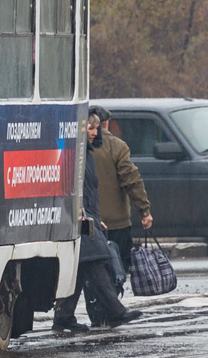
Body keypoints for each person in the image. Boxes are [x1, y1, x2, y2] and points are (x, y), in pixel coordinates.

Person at [53, 125, 142, 333]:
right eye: (90, 128)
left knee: (81, 266)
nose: (95, 132)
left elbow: (89, 192)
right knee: (95, 259)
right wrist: (85, 214)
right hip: (78, 218)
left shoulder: (86, 152)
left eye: (95, 128)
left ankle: (63, 317)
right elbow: (74, 188)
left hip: (86, 217)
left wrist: (95, 217)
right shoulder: (78, 154)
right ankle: (114, 310)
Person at [87, 104, 153, 282]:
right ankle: (111, 304)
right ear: (107, 123)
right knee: (118, 267)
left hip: (89, 221)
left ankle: (97, 303)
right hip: (117, 222)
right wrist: (144, 210)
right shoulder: (117, 146)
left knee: (91, 268)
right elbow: (131, 180)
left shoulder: (79, 147)